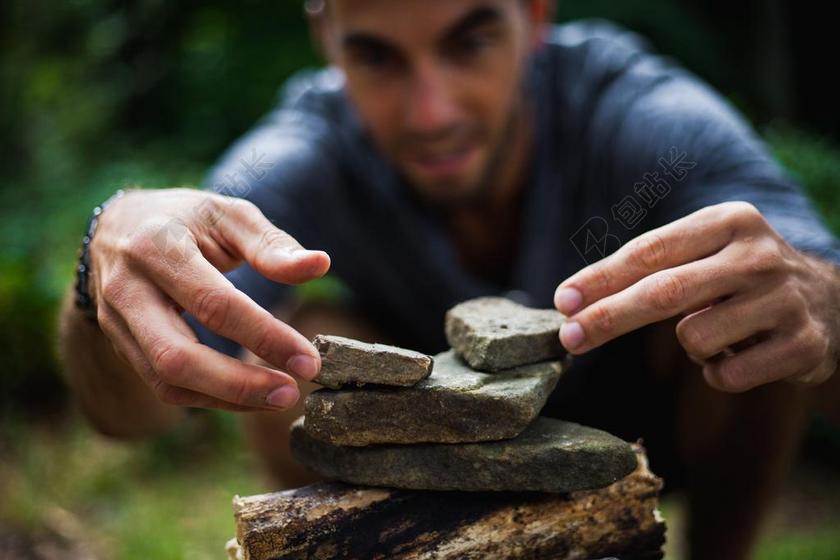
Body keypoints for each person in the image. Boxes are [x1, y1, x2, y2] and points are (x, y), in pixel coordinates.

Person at [58, 1, 840, 558]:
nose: (430, 113)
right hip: (417, 459)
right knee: (288, 341)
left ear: (535, 17)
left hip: (645, 427)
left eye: (468, 41)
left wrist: (828, 306)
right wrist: (106, 265)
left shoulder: (648, 117)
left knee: (754, 298)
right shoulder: (298, 162)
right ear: (326, 37)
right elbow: (126, 416)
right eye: (378, 56)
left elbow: (814, 301)